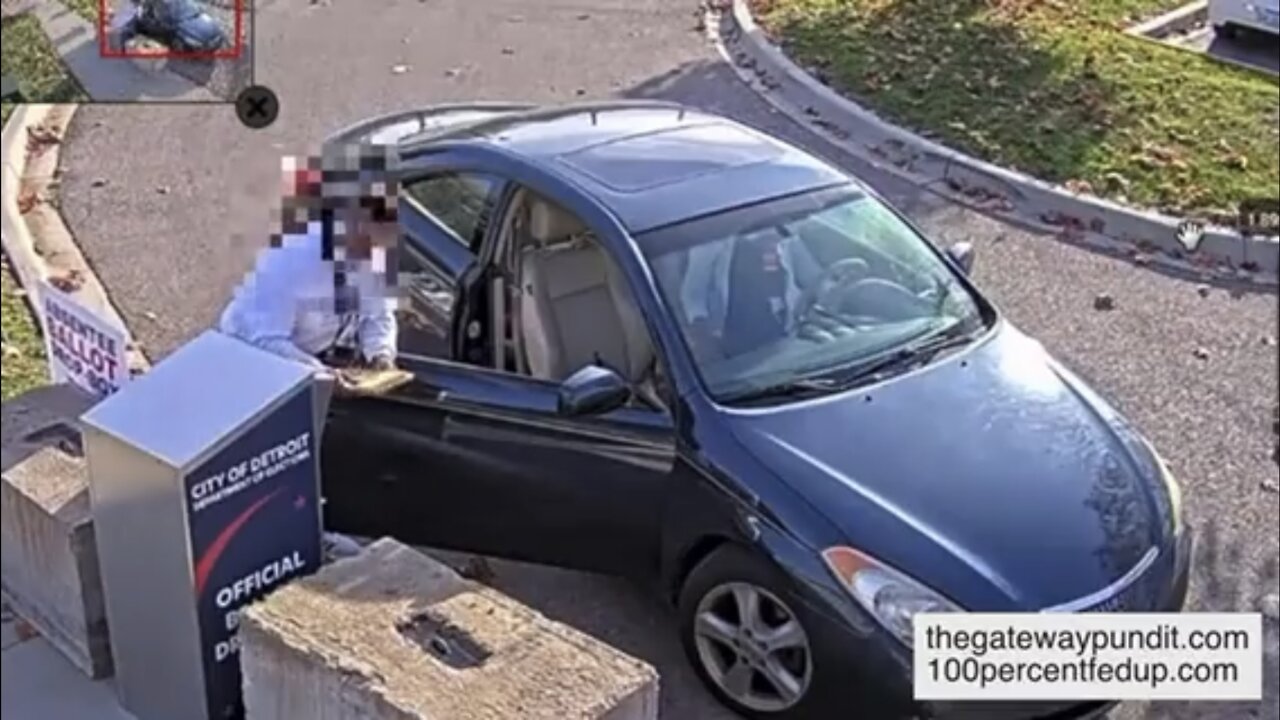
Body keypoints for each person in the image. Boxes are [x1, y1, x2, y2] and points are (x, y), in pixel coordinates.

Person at [218, 147, 401, 392]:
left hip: (310, 355)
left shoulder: (373, 254)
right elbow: (264, 340)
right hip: (248, 359)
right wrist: (321, 375)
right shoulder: (288, 261)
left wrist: (381, 355)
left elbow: (377, 314)